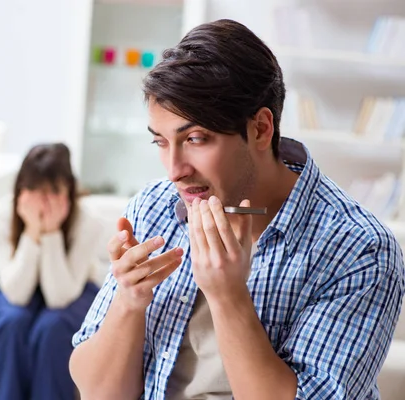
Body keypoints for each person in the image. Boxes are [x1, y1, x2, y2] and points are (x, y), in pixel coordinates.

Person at [69, 19, 405, 400]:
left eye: (195, 138)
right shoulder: (154, 207)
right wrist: (127, 301)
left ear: (261, 129)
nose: (174, 170)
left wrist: (228, 295)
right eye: (161, 142)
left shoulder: (359, 249)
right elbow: (97, 392)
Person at [0, 143, 104, 400]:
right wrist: (32, 231)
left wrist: (51, 232)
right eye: (34, 189)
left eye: (53, 191)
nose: (43, 201)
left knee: (53, 326)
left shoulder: (88, 220)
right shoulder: (1, 213)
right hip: (17, 286)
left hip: (74, 289)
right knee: (12, 321)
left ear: (69, 191)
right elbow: (16, 295)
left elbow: (59, 298)